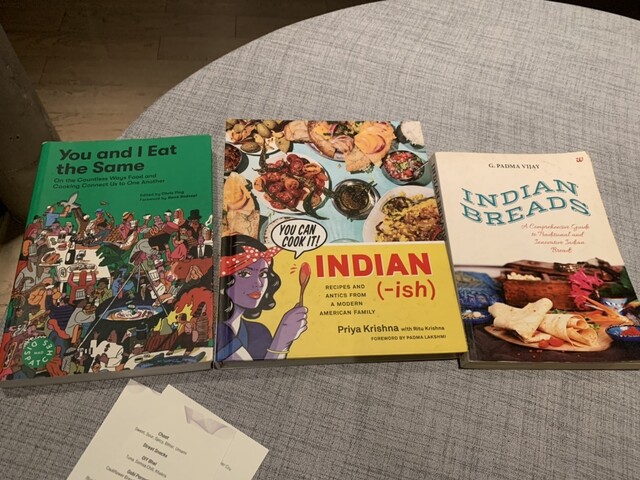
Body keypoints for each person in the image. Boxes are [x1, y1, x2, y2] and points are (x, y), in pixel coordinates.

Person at [217, 234, 308, 362]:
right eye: (244, 273)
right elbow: (255, 370)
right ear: (223, 279)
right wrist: (282, 340)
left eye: (263, 274)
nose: (258, 283)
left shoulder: (259, 332)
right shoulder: (216, 332)